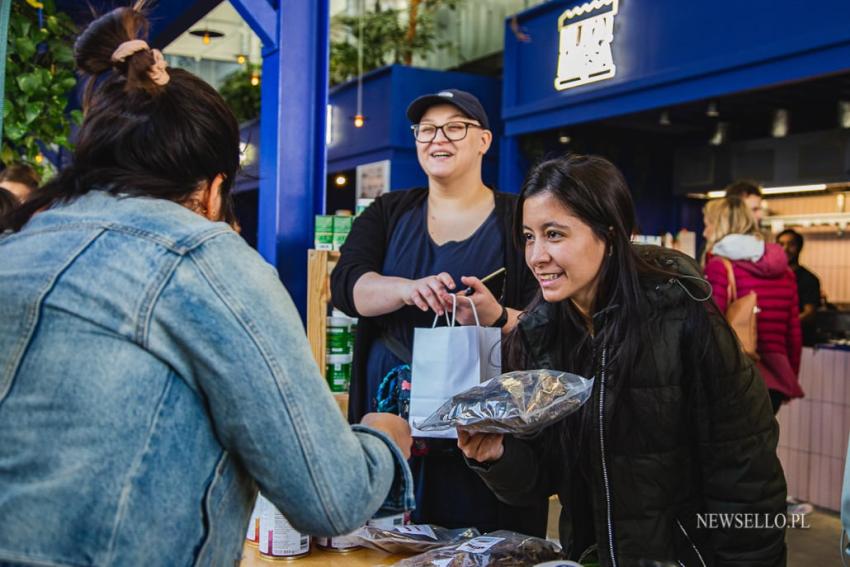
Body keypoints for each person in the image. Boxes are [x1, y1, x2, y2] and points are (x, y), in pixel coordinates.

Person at [0, 5, 413, 566]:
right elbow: (330, 497)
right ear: (214, 189)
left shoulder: (15, 245)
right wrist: (385, 442)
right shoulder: (207, 261)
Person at [458, 154, 787, 566]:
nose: (536, 255)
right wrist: (497, 456)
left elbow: (747, 475)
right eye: (528, 236)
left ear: (610, 235)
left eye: (554, 234)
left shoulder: (683, 315)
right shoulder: (540, 334)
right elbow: (540, 479)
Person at [331, 89, 547, 534]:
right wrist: (407, 290)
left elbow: (549, 323)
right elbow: (347, 287)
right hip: (392, 433)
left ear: (484, 140)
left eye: (454, 127)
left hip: (485, 444)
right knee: (385, 548)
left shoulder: (517, 219)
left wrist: (495, 314)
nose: (437, 139)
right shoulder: (390, 211)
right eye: (426, 130)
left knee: (487, 550)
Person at [702, 197, 803, 414]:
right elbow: (793, 333)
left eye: (707, 223)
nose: (704, 232)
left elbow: (710, 330)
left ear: (720, 225)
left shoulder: (720, 266)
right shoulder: (786, 273)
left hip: (735, 378)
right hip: (775, 380)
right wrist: (789, 377)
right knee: (762, 445)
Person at [777, 228, 821, 346]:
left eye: (791, 244)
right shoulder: (772, 277)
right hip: (776, 342)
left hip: (800, 343)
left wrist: (781, 325)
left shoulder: (809, 279)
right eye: (781, 244)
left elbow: (809, 314)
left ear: (799, 248)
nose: (785, 249)